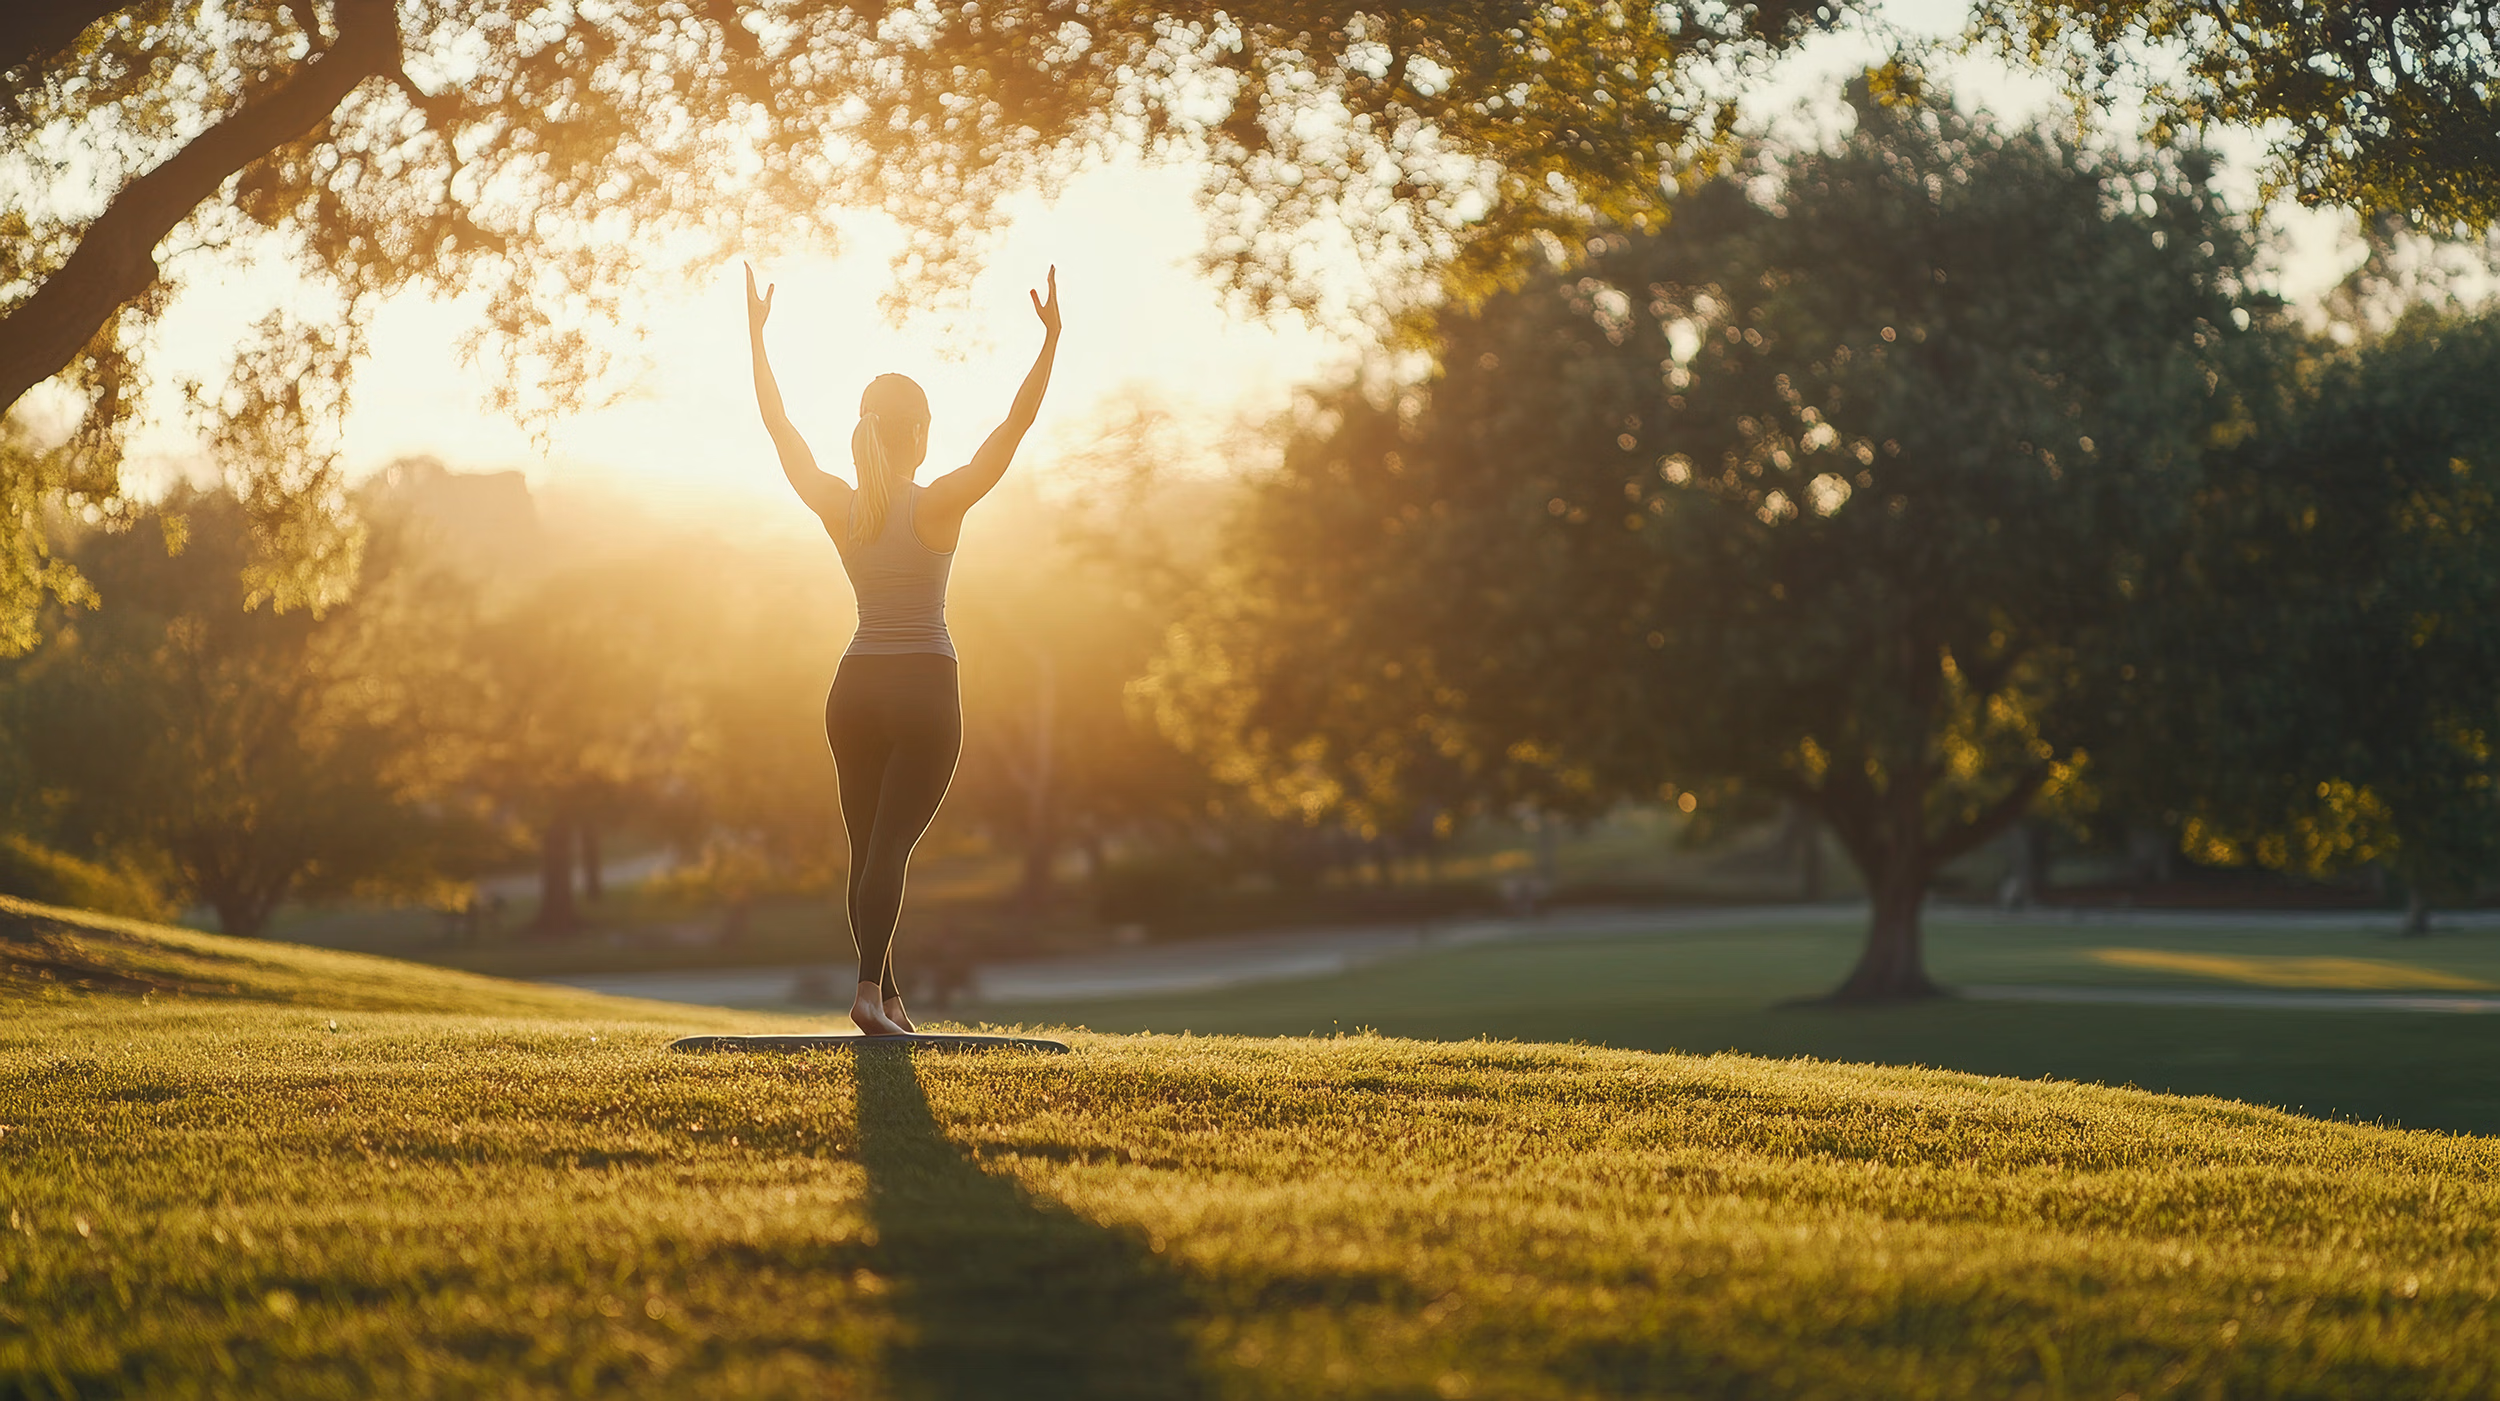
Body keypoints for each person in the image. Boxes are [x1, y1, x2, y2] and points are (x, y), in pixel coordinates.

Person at [746, 261, 1062, 1035]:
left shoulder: (841, 506)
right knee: (890, 848)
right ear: (920, 432)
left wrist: (757, 339)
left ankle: (886, 998)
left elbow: (779, 430)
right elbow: (1012, 429)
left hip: (853, 689)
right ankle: (864, 991)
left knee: (868, 850)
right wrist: (1050, 341)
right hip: (924, 689)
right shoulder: (942, 503)